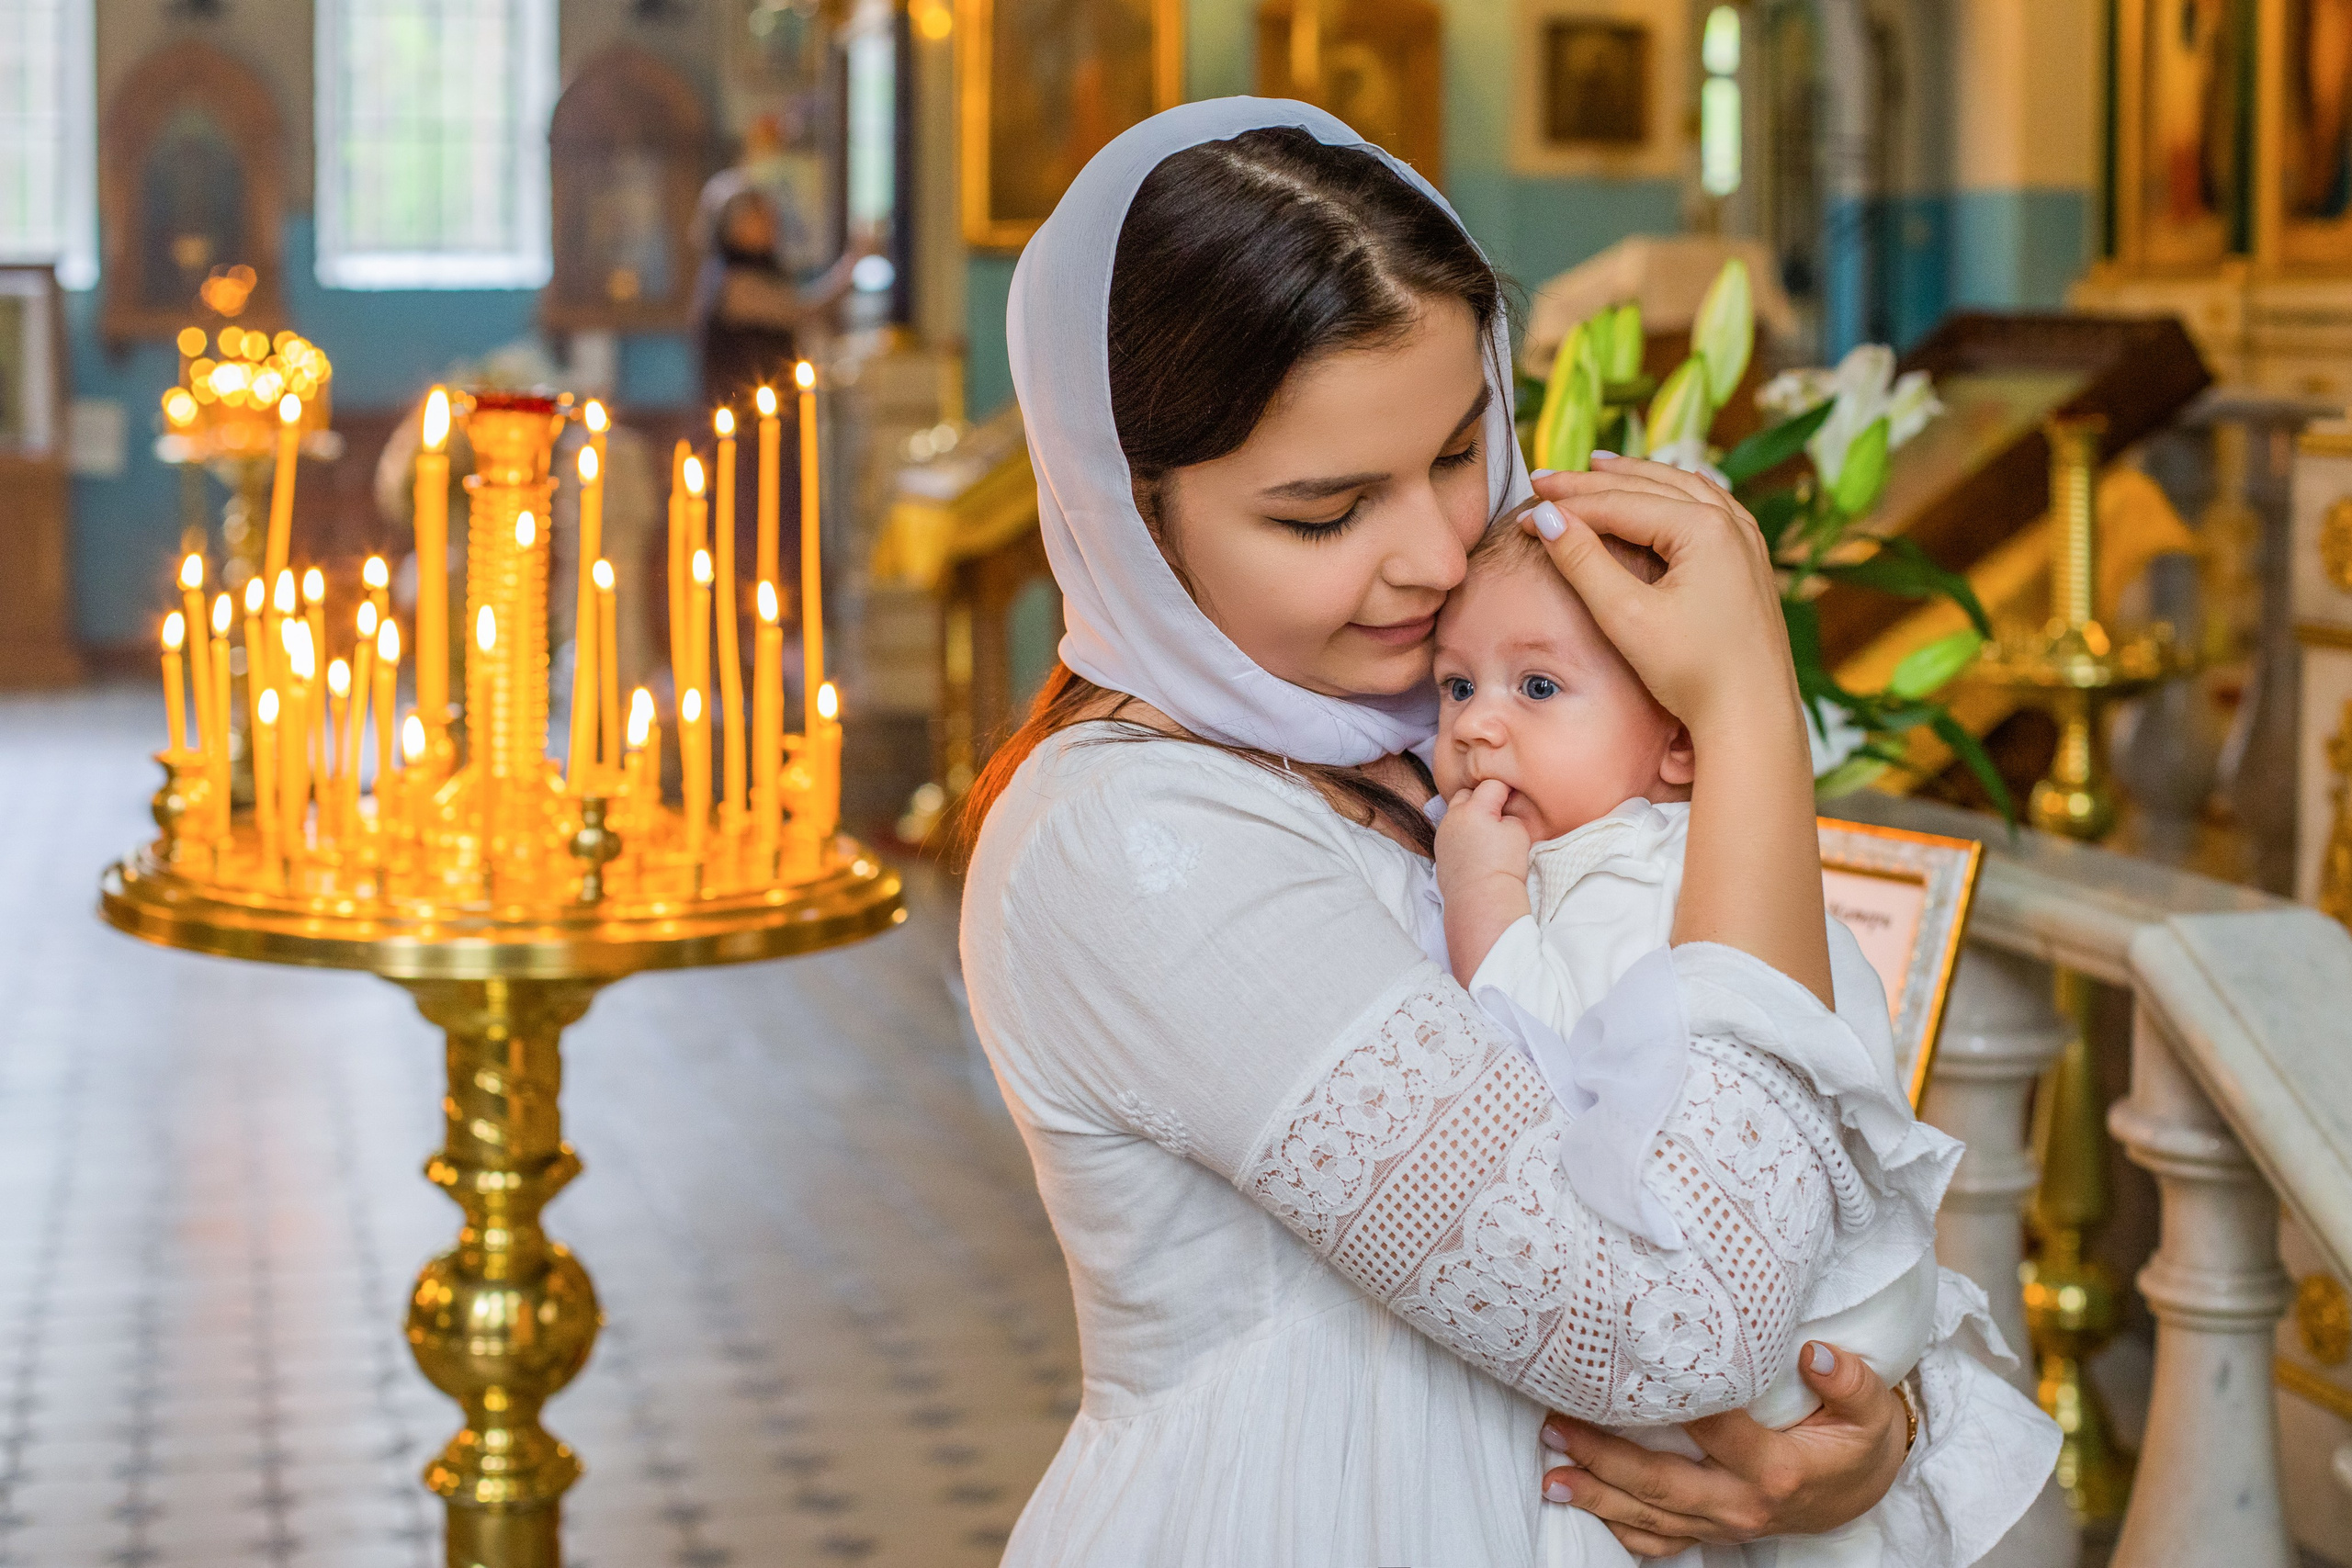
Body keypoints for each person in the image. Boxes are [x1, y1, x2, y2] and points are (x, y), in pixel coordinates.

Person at [958, 98, 1972, 1567]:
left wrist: (1861, 1422)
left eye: (1457, 448)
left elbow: (1790, 1219)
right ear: (1133, 512)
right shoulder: (1131, 837)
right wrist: (1747, 720)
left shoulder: (1440, 733)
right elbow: (1678, 1317)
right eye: (1323, 514)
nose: (1436, 555)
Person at [1427, 523, 2059, 1566]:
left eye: (1536, 689)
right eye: (1456, 688)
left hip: (1769, 1334)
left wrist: (1481, 894)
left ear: (1678, 741)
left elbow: (1529, 1073)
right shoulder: (1658, 860)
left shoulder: (1629, 882)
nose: (1478, 728)